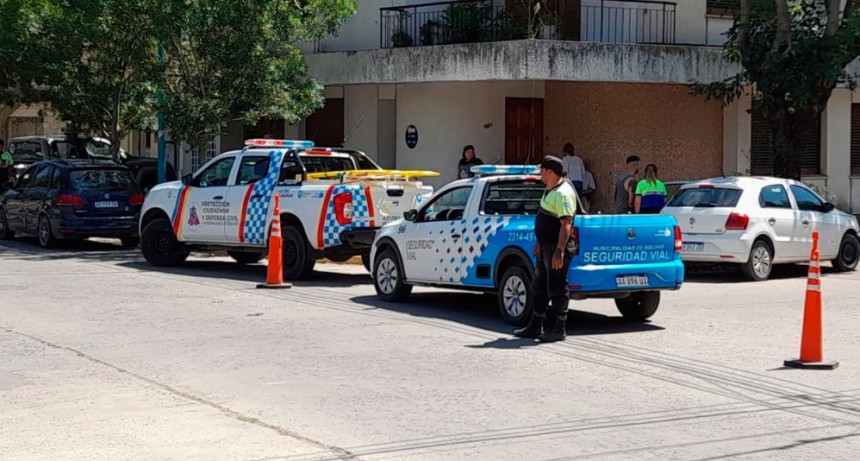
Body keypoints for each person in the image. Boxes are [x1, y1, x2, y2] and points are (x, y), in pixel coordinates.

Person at [514, 155, 576, 343]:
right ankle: (535, 326)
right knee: (539, 286)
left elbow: (566, 224)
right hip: (545, 247)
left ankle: (558, 329)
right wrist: (540, 243)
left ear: (550, 172)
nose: (540, 174)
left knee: (557, 287)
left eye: (542, 171)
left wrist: (559, 251)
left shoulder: (563, 193)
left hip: (556, 249)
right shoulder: (549, 189)